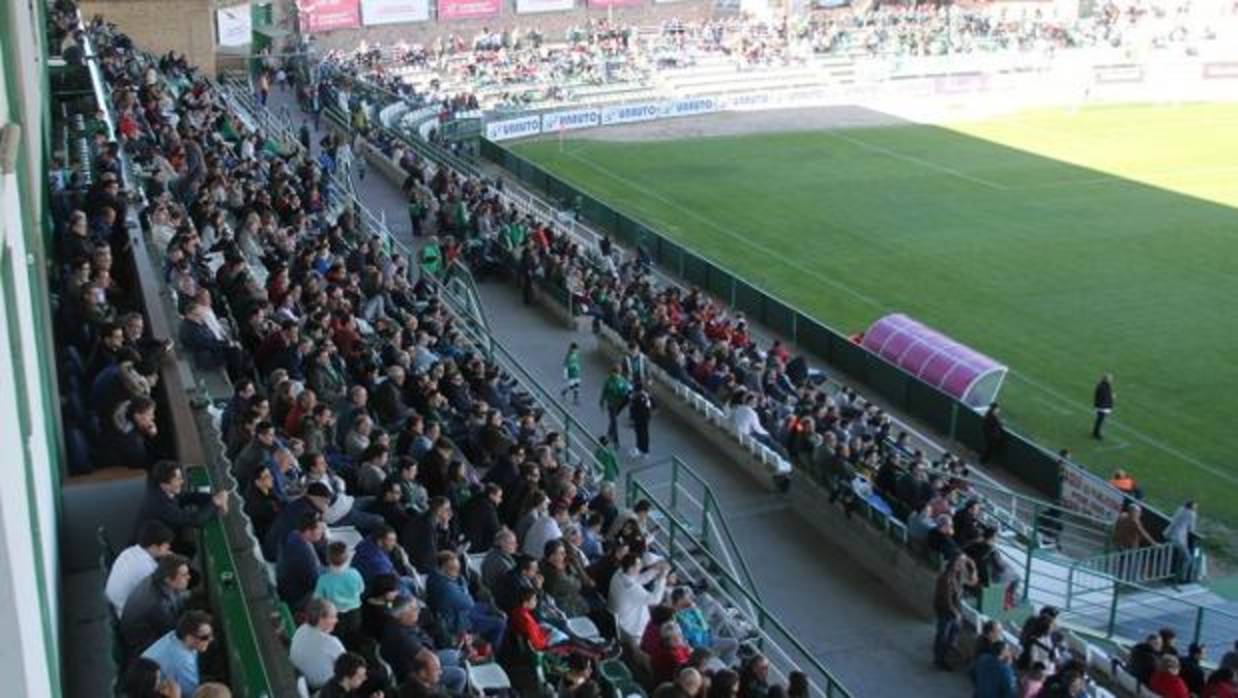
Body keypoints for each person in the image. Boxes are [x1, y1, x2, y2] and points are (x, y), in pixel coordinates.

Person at [120, 554, 192, 654]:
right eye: (184, 575)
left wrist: (193, 595)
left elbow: (178, 596)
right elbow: (174, 634)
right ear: (169, 579)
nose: (189, 577)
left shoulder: (157, 579)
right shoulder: (157, 605)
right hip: (145, 648)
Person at [107, 520, 175, 615]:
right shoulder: (147, 568)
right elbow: (164, 594)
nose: (169, 547)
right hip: (126, 614)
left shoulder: (130, 551)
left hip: (115, 603)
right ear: (154, 546)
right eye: (166, 545)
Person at [140, 610, 214, 697]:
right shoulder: (183, 662)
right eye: (205, 637)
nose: (211, 639)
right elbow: (193, 694)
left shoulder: (175, 636)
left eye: (211, 634)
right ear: (189, 638)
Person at [609, 553, 670, 641]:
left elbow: (638, 580)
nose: (641, 567)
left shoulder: (620, 572)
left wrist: (655, 570)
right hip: (628, 629)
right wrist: (662, 578)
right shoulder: (630, 587)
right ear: (631, 568)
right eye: (638, 565)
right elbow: (655, 600)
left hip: (619, 620)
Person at [932, 553, 977, 670]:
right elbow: (947, 600)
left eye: (963, 562)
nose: (962, 564)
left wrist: (973, 566)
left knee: (953, 636)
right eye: (960, 562)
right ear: (953, 562)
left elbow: (973, 582)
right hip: (945, 610)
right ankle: (939, 659)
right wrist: (956, 613)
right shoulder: (946, 577)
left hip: (955, 610)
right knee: (943, 635)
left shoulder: (960, 574)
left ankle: (947, 658)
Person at [314, 541, 366, 643]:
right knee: (353, 637)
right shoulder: (355, 573)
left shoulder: (324, 579)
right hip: (355, 612)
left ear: (328, 559)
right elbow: (361, 589)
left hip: (335, 616)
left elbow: (318, 599)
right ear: (347, 558)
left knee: (338, 639)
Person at [290, 598, 346, 691]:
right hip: (324, 689)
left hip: (305, 683)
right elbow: (347, 669)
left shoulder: (301, 629)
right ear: (321, 619)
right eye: (333, 617)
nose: (337, 620)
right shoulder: (332, 642)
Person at [277, 511, 325, 610]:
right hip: (297, 599)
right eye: (319, 529)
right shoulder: (304, 556)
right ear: (308, 532)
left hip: (288, 588)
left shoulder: (294, 534)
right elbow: (316, 583)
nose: (322, 531)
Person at [1164, 501, 1198, 584]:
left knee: (1172, 557)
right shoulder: (1192, 514)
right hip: (1179, 538)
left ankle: (1171, 576)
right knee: (1188, 558)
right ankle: (1180, 577)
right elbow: (1191, 529)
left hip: (1169, 534)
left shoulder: (1180, 509)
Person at [599, 364, 631, 448]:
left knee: (613, 421)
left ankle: (611, 439)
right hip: (611, 403)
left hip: (619, 404)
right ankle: (612, 439)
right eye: (614, 373)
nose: (615, 375)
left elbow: (626, 393)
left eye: (617, 374)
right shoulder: (609, 380)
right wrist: (601, 402)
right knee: (613, 421)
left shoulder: (623, 382)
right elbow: (604, 391)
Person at [629, 385, 655, 459]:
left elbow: (633, 408)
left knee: (639, 433)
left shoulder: (636, 397)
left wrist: (632, 418)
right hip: (646, 418)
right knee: (645, 434)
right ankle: (646, 451)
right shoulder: (647, 396)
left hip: (639, 418)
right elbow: (653, 406)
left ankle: (638, 449)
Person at [1093, 373, 1115, 439]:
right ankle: (1096, 433)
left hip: (1101, 406)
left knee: (1099, 420)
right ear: (1107, 379)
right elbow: (1104, 396)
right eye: (1110, 379)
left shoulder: (1103, 385)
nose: (1112, 380)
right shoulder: (1104, 386)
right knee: (1100, 421)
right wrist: (1112, 396)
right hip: (1102, 406)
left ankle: (1096, 432)